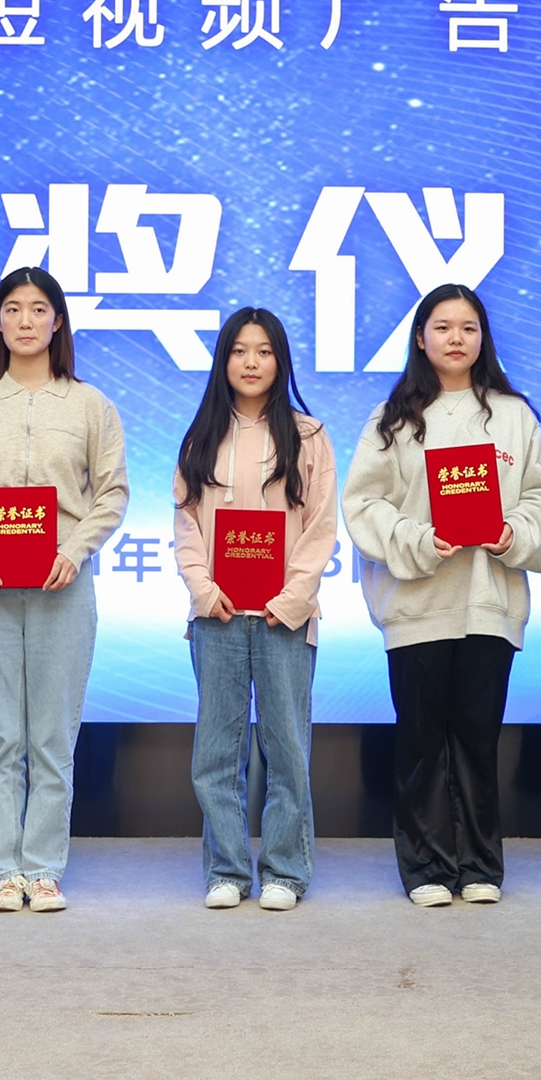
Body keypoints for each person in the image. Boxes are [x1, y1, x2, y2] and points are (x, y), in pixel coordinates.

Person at [345, 285, 541, 907]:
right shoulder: (391, 419)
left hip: (489, 601)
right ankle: (426, 869)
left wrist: (510, 533)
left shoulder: (514, 415)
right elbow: (362, 504)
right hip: (418, 603)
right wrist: (419, 538)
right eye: (443, 327)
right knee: (420, 740)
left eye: (468, 327)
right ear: (421, 338)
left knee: (477, 737)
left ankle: (480, 866)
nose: (456, 338)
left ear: (483, 337)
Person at [0, 267, 127, 913]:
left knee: (51, 736)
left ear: (57, 321)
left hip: (62, 584)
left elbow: (113, 493)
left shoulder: (91, 405)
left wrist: (75, 550)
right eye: (12, 308)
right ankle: (5, 869)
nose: (25, 320)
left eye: (38, 308)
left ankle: (42, 868)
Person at [172, 307, 338, 913]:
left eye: (264, 351)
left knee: (286, 749)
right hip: (216, 615)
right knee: (216, 753)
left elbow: (321, 527)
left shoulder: (310, 436)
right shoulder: (201, 436)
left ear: (280, 361)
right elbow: (186, 525)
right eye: (239, 350)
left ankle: (286, 872)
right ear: (223, 361)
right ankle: (227, 870)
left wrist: (292, 598)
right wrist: (202, 589)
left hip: (283, 618)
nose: (251, 362)